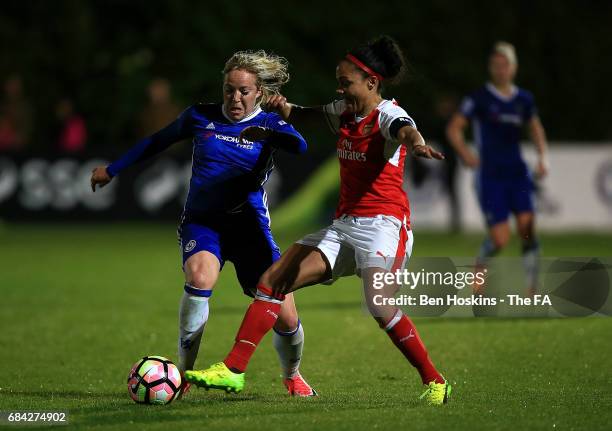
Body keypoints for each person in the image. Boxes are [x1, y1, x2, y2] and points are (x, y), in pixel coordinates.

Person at [185, 36, 451, 406]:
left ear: (372, 83)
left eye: (347, 83)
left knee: (379, 304)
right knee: (273, 279)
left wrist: (417, 143)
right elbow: (310, 114)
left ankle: (435, 381)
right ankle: (233, 369)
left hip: (384, 226)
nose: (340, 89)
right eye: (339, 82)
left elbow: (406, 129)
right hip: (344, 226)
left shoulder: (388, 115)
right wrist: (282, 107)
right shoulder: (344, 109)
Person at [90, 50, 317, 397]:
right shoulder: (200, 116)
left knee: (285, 316)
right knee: (199, 278)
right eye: (230, 89)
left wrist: (271, 131)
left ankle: (292, 375)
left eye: (244, 91)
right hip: (204, 222)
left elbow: (300, 147)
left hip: (250, 229)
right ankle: (183, 375)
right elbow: (156, 141)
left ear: (259, 93)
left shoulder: (269, 123)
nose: (236, 98)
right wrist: (113, 169)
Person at [446, 42, 548, 296]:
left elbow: (535, 127)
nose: (501, 70)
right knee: (501, 238)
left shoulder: (524, 99)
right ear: (491, 68)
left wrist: (542, 157)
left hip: (517, 173)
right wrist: (466, 153)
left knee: (527, 228)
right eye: (496, 65)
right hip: (490, 176)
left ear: (513, 68)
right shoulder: (479, 98)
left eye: (505, 65)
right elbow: (454, 128)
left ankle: (532, 287)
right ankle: (481, 264)